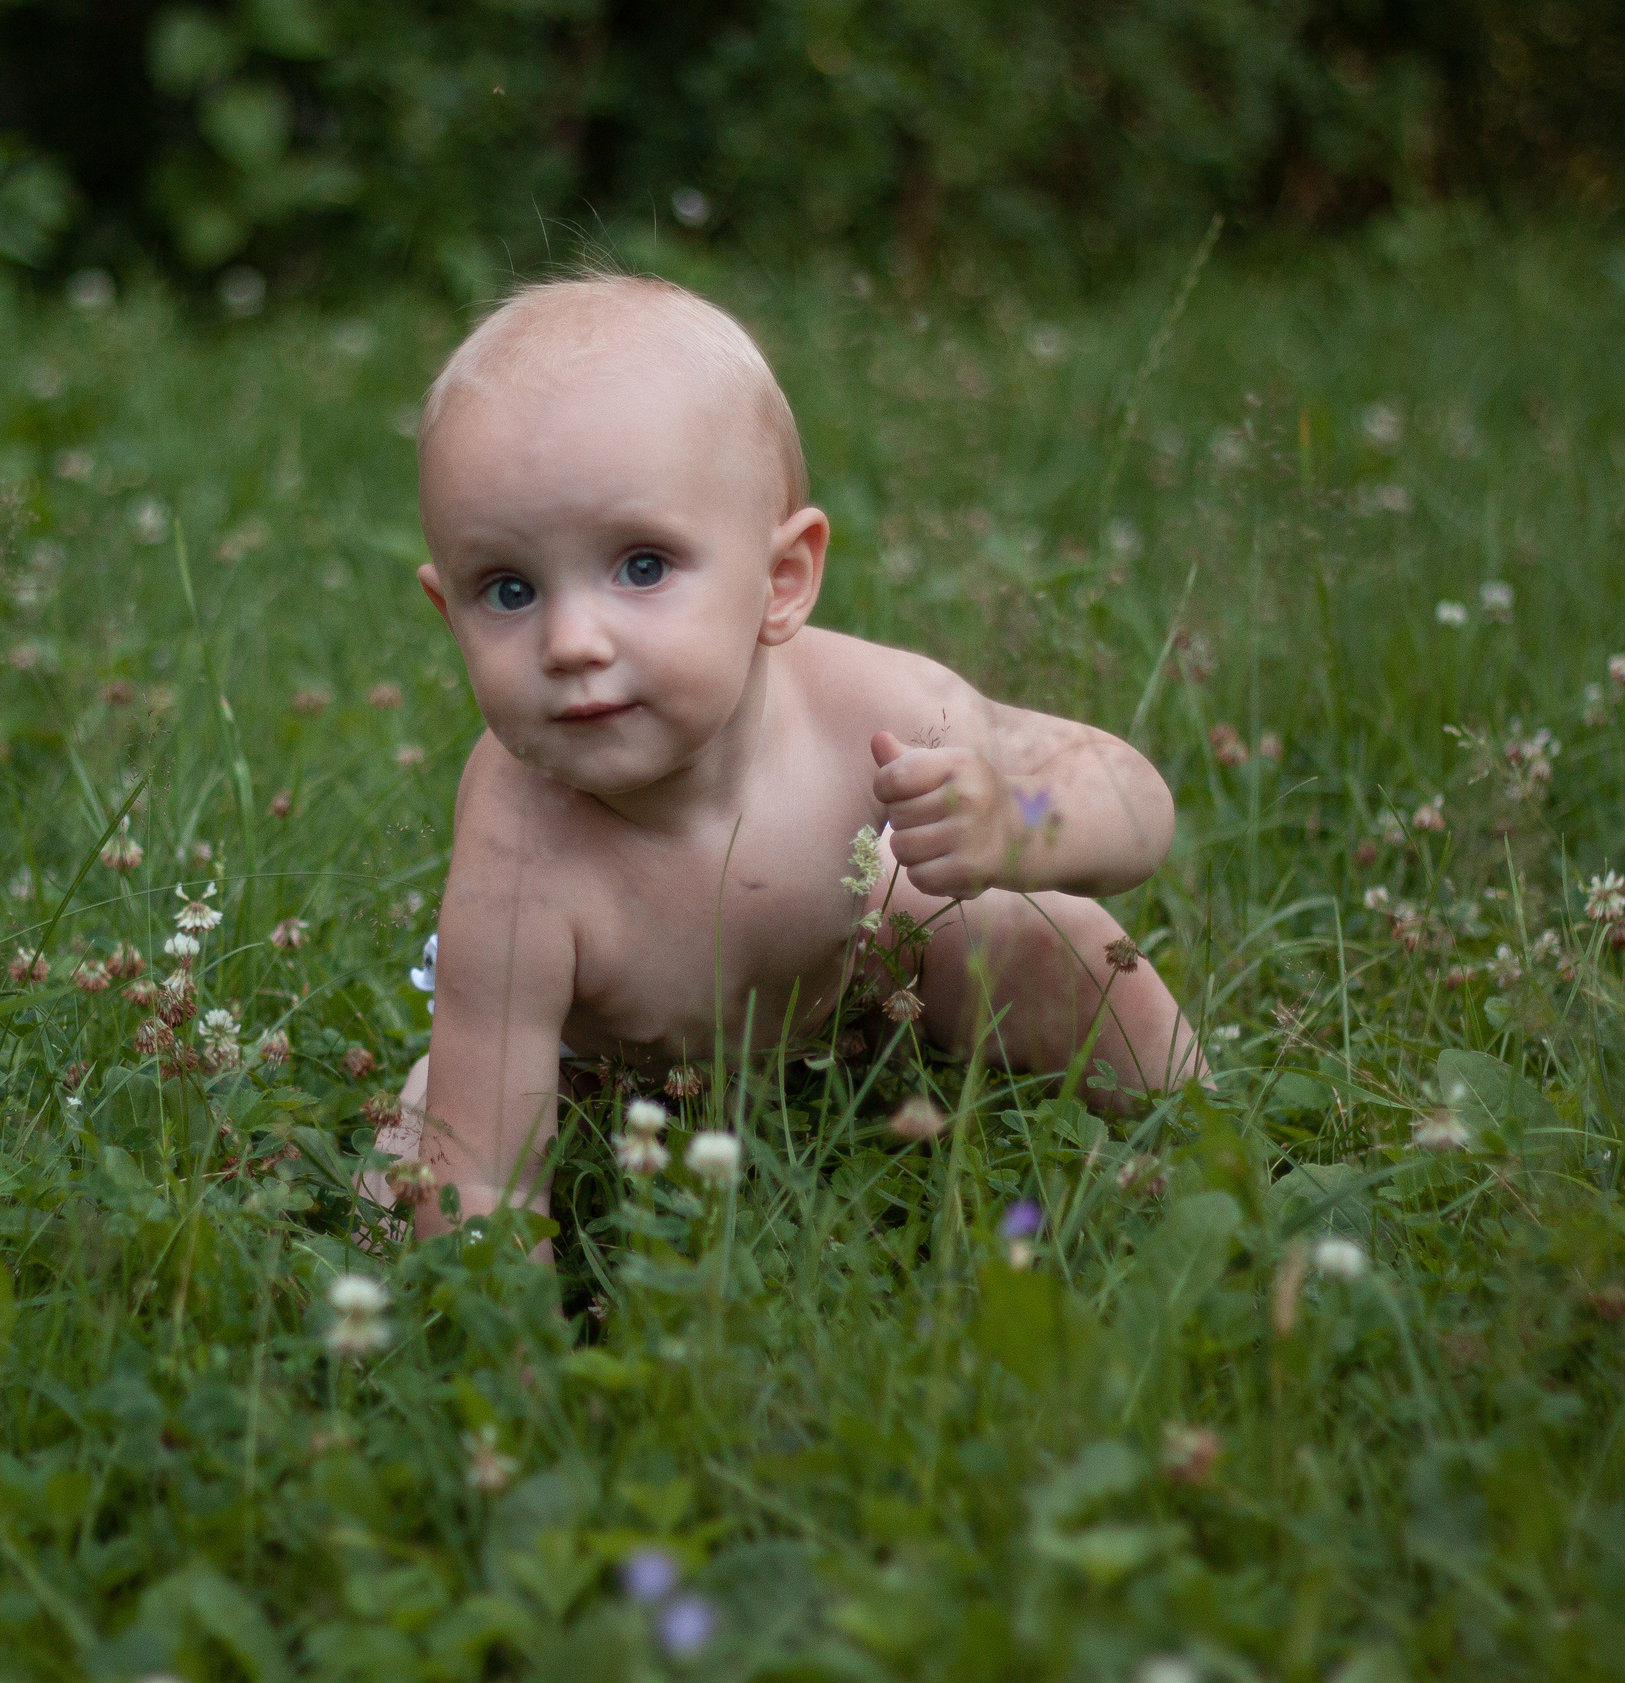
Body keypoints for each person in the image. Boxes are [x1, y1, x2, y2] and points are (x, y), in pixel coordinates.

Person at [374, 271, 1203, 1245]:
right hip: (602, 1072)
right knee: (428, 1161)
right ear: (448, 613)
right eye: (507, 590)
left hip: (851, 983)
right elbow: (483, 1170)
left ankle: (1206, 1143)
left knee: (1048, 931)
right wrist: (505, 1337)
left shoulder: (870, 707)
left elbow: (1134, 799)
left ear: (782, 580)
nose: (569, 641)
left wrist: (1018, 822)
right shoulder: (519, 843)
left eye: (641, 566)